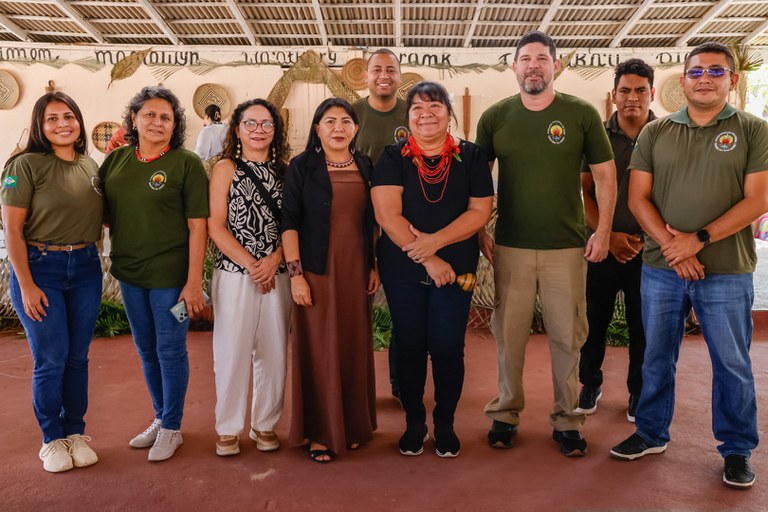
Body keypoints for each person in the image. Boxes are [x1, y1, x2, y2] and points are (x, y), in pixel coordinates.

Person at [610, 42, 768, 490]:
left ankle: (737, 449)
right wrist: (672, 246)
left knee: (732, 362)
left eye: (716, 72)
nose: (705, 78)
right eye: (696, 71)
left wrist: (697, 240)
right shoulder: (656, 134)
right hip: (662, 269)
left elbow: (758, 199)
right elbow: (637, 197)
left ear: (732, 80)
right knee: (657, 356)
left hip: (727, 268)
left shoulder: (754, 130)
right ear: (683, 81)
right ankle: (650, 432)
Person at [476, 30, 616, 457]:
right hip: (510, 247)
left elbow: (606, 176)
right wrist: (480, 230)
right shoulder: (495, 117)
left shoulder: (581, 113)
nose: (533, 65)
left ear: (555, 65)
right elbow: (477, 183)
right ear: (513, 66)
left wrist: (604, 231)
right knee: (509, 336)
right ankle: (505, 413)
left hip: (567, 248)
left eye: (541, 58)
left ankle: (568, 419)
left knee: (567, 337)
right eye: (525, 58)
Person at [372, 81, 493, 458]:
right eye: (417, 108)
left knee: (447, 346)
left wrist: (434, 244)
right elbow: (387, 214)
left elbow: (479, 211)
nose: (426, 114)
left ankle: (444, 422)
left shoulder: (471, 157)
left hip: (456, 270)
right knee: (408, 345)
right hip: (403, 268)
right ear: (407, 117)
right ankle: (413, 422)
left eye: (435, 106)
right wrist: (428, 257)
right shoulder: (392, 158)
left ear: (449, 113)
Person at [100, 86, 209, 462]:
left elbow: (199, 226)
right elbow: (103, 214)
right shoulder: (114, 162)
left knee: (170, 350)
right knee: (146, 350)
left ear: (174, 124)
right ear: (134, 119)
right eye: (149, 114)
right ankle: (161, 417)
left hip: (171, 279)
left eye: (166, 117)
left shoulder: (186, 163)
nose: (157, 122)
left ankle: (172, 427)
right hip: (129, 275)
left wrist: (194, 282)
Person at [1, 92, 103, 473]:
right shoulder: (24, 165)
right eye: (52, 119)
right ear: (40, 127)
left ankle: (75, 432)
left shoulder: (90, 166)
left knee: (78, 358)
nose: (63, 124)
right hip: (40, 267)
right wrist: (26, 284)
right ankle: (51, 438)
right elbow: (11, 229)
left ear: (79, 122)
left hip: (87, 268)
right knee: (51, 359)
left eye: (69, 116)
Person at [281, 98, 379, 463]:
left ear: (355, 128)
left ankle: (352, 425)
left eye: (345, 121)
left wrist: (374, 266)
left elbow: (373, 223)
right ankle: (321, 432)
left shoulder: (367, 165)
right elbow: (288, 222)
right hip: (317, 271)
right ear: (317, 128)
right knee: (320, 348)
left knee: (353, 344)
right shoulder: (301, 166)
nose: (338, 127)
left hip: (355, 270)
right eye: (329, 121)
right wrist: (296, 276)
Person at [208, 98, 291, 457]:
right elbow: (216, 224)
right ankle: (227, 428)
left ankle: (265, 424)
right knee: (231, 351)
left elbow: (295, 226)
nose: (259, 130)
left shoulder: (289, 171)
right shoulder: (225, 168)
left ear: (276, 130)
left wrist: (274, 260)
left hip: (279, 273)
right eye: (251, 123)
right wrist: (252, 265)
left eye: (267, 124)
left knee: (274, 352)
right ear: (237, 129)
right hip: (235, 274)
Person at [576, 59, 655, 422]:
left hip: (650, 250)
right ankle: (590, 383)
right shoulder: (597, 134)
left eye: (640, 90)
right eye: (625, 90)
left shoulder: (666, 132)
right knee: (595, 321)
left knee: (643, 326)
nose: (632, 98)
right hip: (603, 246)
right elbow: (584, 192)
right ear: (614, 95)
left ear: (652, 93)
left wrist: (641, 237)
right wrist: (606, 234)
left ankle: (638, 392)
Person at [352, 47, 409, 403]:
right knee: (357, 312)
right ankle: (354, 387)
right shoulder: (351, 114)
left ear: (399, 75)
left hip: (403, 226)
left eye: (391, 69)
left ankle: (401, 384)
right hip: (358, 225)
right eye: (377, 69)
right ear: (366, 75)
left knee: (404, 311)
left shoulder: (413, 113)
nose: (384, 75)